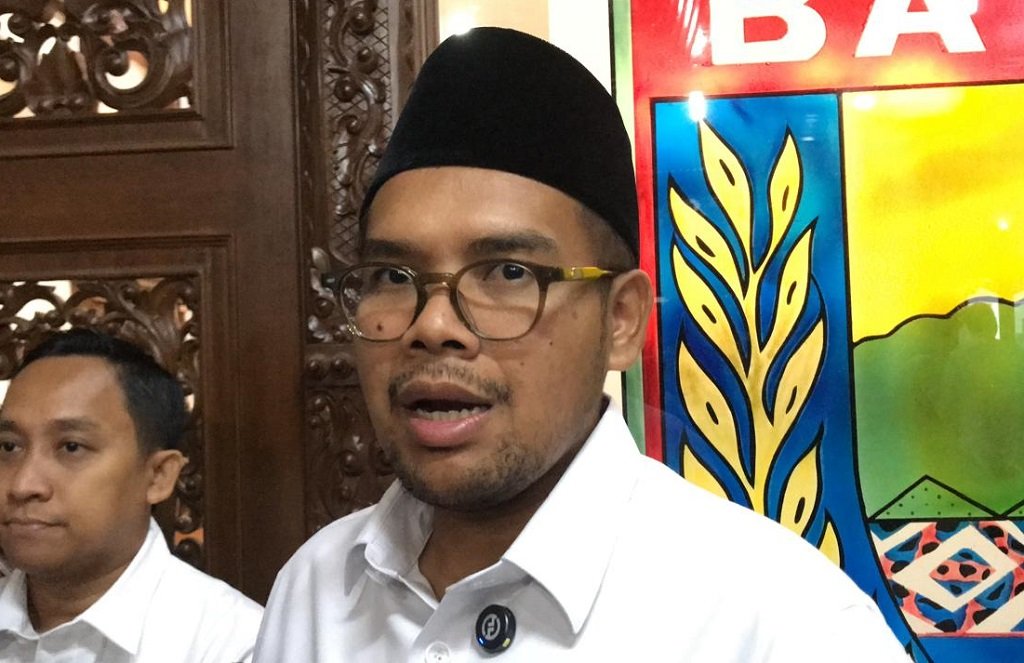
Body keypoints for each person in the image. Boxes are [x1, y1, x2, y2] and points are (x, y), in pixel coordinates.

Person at [254, 27, 909, 661]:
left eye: (507, 272)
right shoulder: (317, 590)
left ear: (620, 320)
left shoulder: (782, 625)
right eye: (393, 277)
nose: (433, 325)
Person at [0, 329, 263, 662]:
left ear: (158, 476)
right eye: (9, 447)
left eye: (72, 447)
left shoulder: (236, 646)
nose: (23, 485)